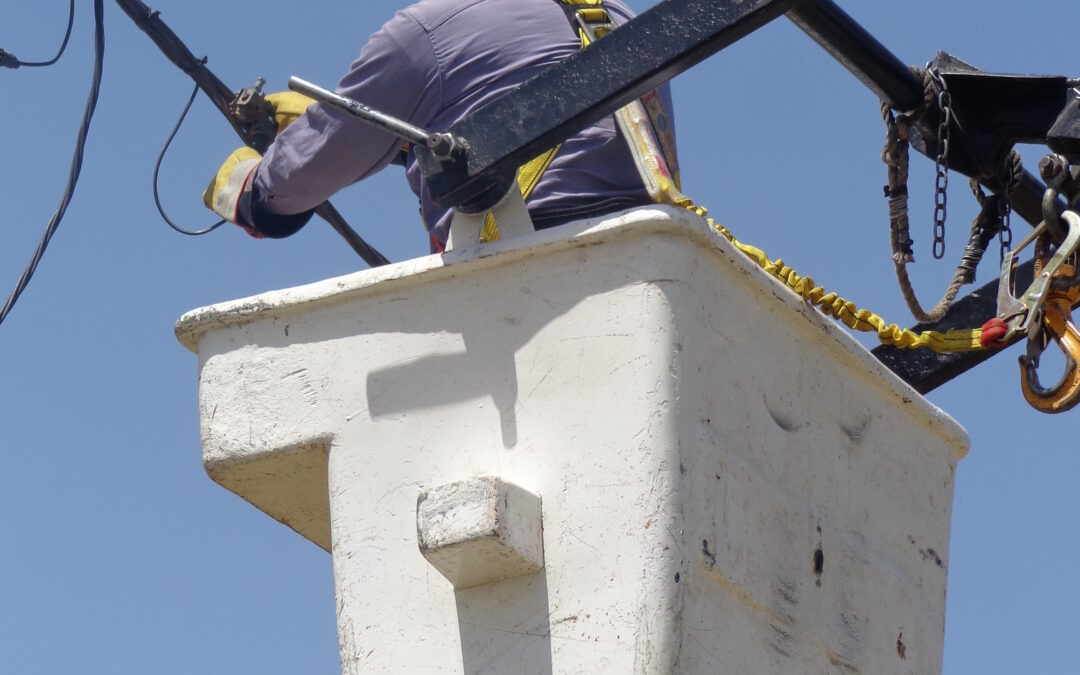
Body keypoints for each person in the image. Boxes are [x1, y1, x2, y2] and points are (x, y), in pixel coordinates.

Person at [204, 0, 677, 253]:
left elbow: (292, 185)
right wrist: (403, 147)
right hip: (651, 254)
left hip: (522, 275)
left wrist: (248, 182)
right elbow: (524, 143)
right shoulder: (614, 18)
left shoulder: (427, 33)